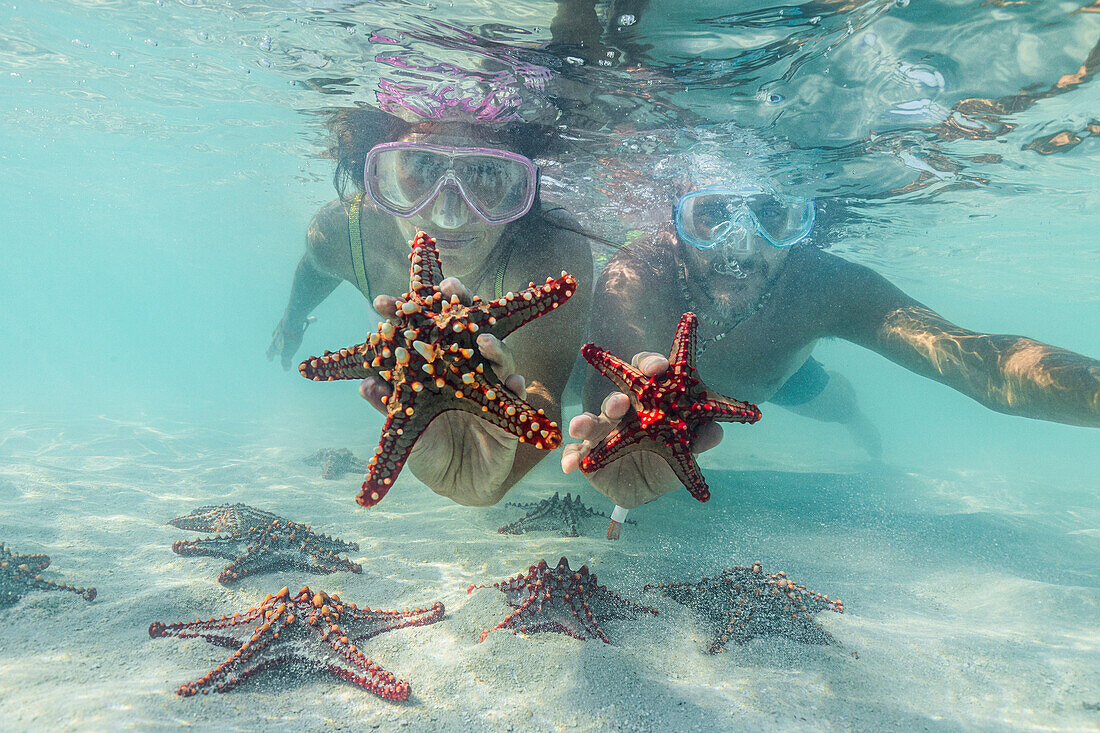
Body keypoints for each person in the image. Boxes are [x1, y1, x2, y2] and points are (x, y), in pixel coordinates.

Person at [563, 179, 1100, 511]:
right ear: (679, 216)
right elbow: (610, 377)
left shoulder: (826, 286)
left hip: (778, 378)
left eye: (774, 215)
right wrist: (610, 428)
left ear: (804, 221)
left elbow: (980, 360)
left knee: (837, 404)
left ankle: (855, 421)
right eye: (714, 214)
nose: (742, 245)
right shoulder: (638, 271)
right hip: (684, 406)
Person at [269, 107, 593, 506]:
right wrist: (291, 323)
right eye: (421, 163)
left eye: (487, 171)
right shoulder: (342, 231)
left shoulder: (549, 249)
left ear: (519, 183)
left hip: (575, 368)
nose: (449, 215)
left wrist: (487, 486)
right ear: (379, 174)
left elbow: (544, 390)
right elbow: (314, 270)